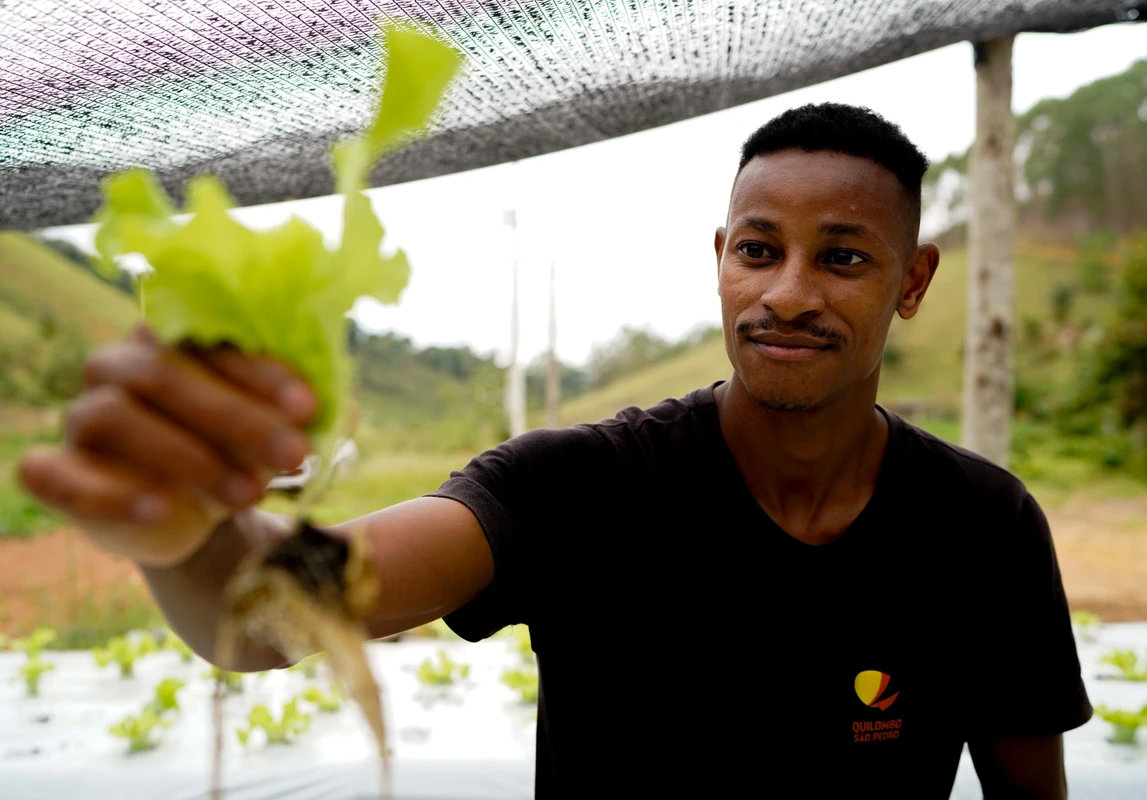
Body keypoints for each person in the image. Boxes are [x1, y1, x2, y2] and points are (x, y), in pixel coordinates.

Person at [18, 103, 1091, 798]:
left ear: (912, 281)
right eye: (759, 250)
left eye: (844, 257)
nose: (788, 292)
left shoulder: (983, 524)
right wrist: (187, 527)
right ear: (723, 258)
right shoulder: (579, 486)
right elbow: (274, 613)